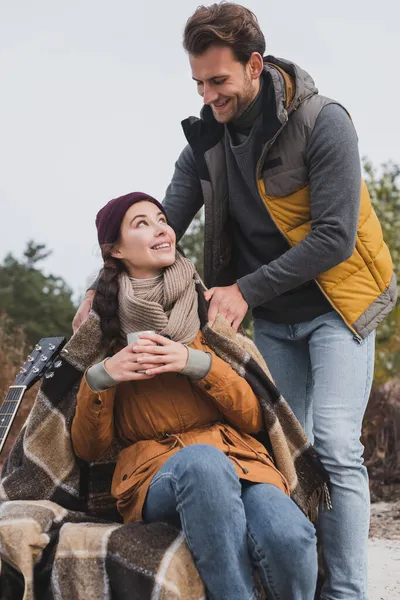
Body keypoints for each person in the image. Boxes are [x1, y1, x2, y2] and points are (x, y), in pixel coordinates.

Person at [72, 4, 397, 598]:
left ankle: (346, 592)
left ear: (254, 66)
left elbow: (334, 236)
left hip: (336, 305)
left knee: (335, 445)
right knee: (284, 454)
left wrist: (243, 289)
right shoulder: (206, 139)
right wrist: (102, 279)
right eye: (198, 82)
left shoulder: (324, 123)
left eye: (217, 81)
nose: (208, 94)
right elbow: (162, 220)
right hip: (270, 318)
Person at [71, 191, 322, 600]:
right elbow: (88, 448)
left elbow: (256, 418)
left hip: (238, 459)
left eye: (161, 218)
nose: (160, 228)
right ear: (114, 250)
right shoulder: (102, 326)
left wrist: (195, 362)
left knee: (290, 535)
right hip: (156, 473)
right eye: (142, 223)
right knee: (202, 465)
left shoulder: (208, 309)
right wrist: (103, 377)